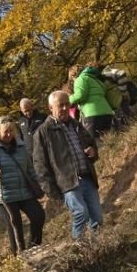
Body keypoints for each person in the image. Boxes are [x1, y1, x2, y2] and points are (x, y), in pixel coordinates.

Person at [33, 90, 102, 239]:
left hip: (87, 178)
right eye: (60, 105)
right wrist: (53, 192)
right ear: (51, 108)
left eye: (67, 104)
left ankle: (96, 250)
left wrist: (92, 151)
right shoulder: (43, 132)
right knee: (80, 213)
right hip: (67, 183)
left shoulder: (76, 124)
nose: (65, 108)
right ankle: (78, 249)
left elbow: (91, 143)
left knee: (97, 218)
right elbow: (40, 166)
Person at [0, 116, 46, 254]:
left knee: (38, 215)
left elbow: (30, 169)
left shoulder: (21, 146)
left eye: (11, 131)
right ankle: (18, 256)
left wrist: (39, 184)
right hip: (4, 194)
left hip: (24, 191)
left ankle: (33, 248)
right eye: (5, 131)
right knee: (15, 224)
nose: (8, 134)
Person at [67, 64, 115, 140]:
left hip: (92, 114)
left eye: (72, 79)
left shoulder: (80, 79)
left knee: (93, 142)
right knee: (108, 141)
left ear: (73, 75)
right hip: (107, 112)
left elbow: (80, 95)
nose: (73, 81)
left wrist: (68, 99)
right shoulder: (95, 79)